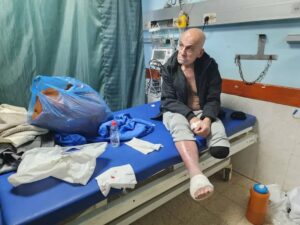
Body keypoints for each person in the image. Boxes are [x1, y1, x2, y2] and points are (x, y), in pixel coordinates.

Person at [160, 28, 230, 201]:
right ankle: (196, 176)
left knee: (216, 132)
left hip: (203, 109)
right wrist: (191, 118)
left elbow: (214, 99)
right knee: (178, 124)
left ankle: (216, 139)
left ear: (200, 52)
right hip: (178, 110)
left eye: (189, 48)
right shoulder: (169, 67)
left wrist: (206, 119)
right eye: (181, 45)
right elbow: (168, 100)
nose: (182, 52)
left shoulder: (210, 66)